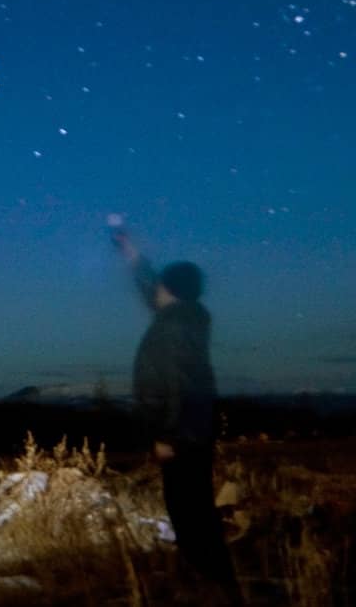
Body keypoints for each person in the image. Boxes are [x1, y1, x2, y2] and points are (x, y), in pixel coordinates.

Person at [111, 221, 242, 604]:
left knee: (191, 518)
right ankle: (213, 584)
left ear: (169, 290)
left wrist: (167, 435)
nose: (154, 292)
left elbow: (176, 384)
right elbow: (149, 286)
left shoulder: (174, 328)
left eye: (160, 286)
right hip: (192, 432)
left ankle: (216, 588)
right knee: (193, 513)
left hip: (182, 437)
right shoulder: (185, 317)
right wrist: (131, 252)